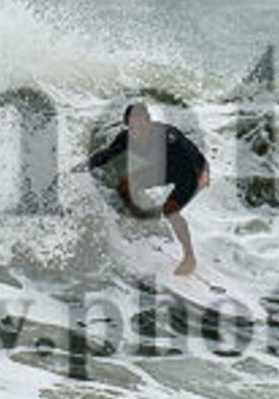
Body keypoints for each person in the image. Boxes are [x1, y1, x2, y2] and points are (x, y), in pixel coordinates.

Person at [79, 102, 210, 275]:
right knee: (125, 183)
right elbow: (105, 156)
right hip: (164, 171)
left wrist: (204, 173)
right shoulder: (126, 138)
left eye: (142, 124)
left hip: (190, 173)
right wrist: (80, 168)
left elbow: (192, 153)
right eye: (133, 126)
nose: (138, 130)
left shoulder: (167, 135)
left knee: (170, 211)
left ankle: (189, 257)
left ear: (148, 121)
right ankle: (136, 220)